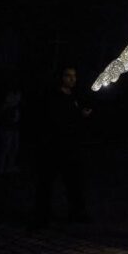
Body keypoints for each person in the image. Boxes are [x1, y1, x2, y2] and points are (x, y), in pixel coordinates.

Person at [33, 66, 92, 227]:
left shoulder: (74, 95)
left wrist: (81, 116)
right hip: (53, 146)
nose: (72, 79)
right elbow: (55, 119)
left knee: (73, 181)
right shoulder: (53, 96)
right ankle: (41, 215)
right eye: (68, 76)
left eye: (74, 76)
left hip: (70, 146)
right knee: (46, 181)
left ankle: (76, 212)